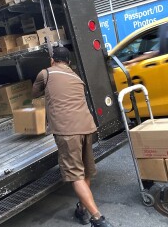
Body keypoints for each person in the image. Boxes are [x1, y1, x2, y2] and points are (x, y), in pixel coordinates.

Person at [32, 46, 113, 227]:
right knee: (85, 170)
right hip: (87, 127)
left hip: (67, 131)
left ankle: (98, 218)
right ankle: (82, 210)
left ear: (52, 60)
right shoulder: (76, 77)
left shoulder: (46, 73)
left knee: (75, 174)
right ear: (68, 62)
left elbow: (34, 93)